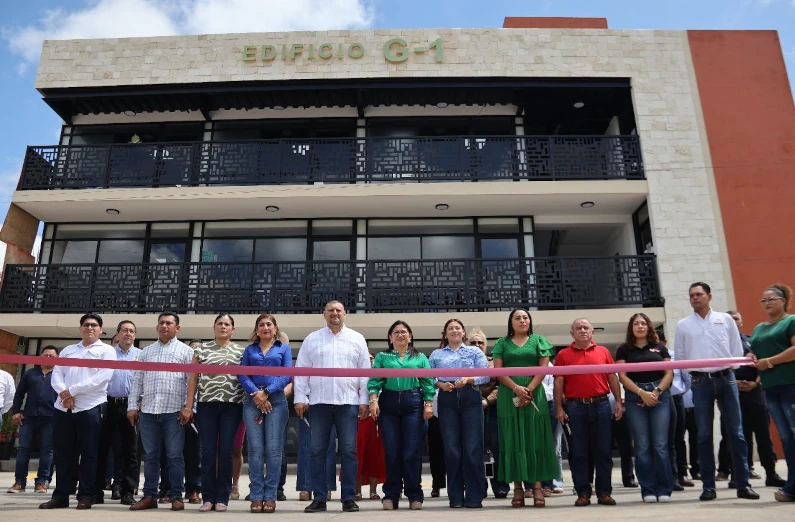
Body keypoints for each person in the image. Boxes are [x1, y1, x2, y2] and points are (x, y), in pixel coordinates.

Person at [674, 282, 759, 501]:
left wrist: (728, 368)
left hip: (726, 378)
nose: (695, 298)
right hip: (700, 382)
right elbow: (681, 357)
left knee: (736, 432)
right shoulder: (683, 325)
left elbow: (737, 350)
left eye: (699, 294)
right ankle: (708, 487)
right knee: (703, 434)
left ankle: (743, 484)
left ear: (709, 296)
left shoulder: (726, 319)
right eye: (691, 295)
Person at [294, 300, 370, 513]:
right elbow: (301, 370)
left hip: (348, 403)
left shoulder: (357, 338)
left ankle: (348, 498)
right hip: (319, 403)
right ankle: (319, 498)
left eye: (338, 310)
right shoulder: (312, 339)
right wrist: (300, 397)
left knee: (349, 451)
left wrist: (364, 400)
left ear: (345, 314)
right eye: (330, 310)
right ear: (324, 314)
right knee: (317, 451)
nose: (334, 313)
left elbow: (365, 372)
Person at [39, 313, 116, 510]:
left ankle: (86, 496)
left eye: (94, 325)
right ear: (80, 328)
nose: (89, 328)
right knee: (63, 454)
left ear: (100, 330)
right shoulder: (68, 350)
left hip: (90, 407)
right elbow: (57, 375)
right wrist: (64, 394)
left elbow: (102, 378)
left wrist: (71, 391)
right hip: (63, 407)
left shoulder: (107, 351)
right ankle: (60, 496)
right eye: (86, 325)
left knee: (89, 454)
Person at [127, 312, 194, 511]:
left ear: (177, 328)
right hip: (148, 411)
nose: (165, 326)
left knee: (175, 456)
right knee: (150, 456)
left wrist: (189, 407)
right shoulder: (146, 352)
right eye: (161, 323)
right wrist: (132, 406)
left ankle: (176, 496)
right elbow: (137, 380)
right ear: (157, 327)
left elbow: (192, 382)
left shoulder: (186, 352)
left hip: (174, 412)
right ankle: (150, 496)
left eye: (169, 323)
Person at [491, 309, 557, 508]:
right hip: (508, 393)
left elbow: (543, 368)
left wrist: (528, 390)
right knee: (512, 439)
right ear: (510, 322)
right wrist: (516, 389)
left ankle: (537, 487)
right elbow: (498, 371)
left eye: (525, 317)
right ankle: (518, 488)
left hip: (534, 392)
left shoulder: (539, 340)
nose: (522, 320)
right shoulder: (501, 343)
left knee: (534, 438)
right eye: (517, 318)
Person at [554, 318, 622, 507]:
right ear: (572, 333)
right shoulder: (563, 355)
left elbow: (612, 377)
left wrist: (618, 401)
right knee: (579, 452)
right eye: (578, 328)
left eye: (586, 328)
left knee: (603, 451)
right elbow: (558, 382)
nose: (583, 330)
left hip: (601, 405)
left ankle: (604, 492)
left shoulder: (603, 352)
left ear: (592, 332)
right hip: (575, 407)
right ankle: (583, 492)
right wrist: (559, 408)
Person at [182, 314, 245, 512]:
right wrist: (188, 406)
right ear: (214, 327)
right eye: (220, 323)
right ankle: (207, 497)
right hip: (207, 405)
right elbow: (193, 378)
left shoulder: (241, 351)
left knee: (226, 451)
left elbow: (246, 378)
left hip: (232, 406)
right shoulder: (201, 349)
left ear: (233, 329)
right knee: (208, 451)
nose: (223, 327)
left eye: (227, 324)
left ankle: (222, 497)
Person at [369, 321, 433, 510]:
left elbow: (428, 381)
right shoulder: (382, 356)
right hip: (388, 403)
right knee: (392, 452)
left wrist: (428, 403)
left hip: (413, 402)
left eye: (404, 332)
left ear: (410, 336)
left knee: (411, 452)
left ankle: (414, 494)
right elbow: (374, 381)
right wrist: (373, 400)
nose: (400, 335)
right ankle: (391, 494)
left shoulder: (420, 357)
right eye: (395, 332)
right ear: (390, 337)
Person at [429, 318, 489, 509]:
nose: (454, 331)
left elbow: (485, 375)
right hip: (447, 399)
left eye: (458, 328)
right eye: (450, 328)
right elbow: (429, 378)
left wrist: (469, 379)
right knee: (452, 450)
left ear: (463, 333)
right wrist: (440, 384)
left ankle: (474, 496)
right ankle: (455, 497)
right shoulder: (436, 354)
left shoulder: (474, 351)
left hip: (470, 398)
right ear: (445, 334)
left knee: (473, 448)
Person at [615, 313, 674, 503]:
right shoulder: (623, 350)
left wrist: (656, 392)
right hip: (635, 397)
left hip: (660, 396)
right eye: (636, 323)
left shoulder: (660, 347)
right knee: (641, 446)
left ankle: (664, 489)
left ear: (649, 326)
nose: (640, 326)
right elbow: (622, 376)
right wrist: (642, 393)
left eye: (643, 323)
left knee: (660, 445)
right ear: (631, 327)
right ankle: (648, 489)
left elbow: (669, 373)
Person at [239, 313, 292, 514]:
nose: (265, 327)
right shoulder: (250, 349)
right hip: (253, 401)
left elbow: (287, 374)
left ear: (275, 328)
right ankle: (256, 496)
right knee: (255, 450)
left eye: (269, 324)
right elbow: (243, 374)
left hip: (276, 400)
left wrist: (267, 392)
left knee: (274, 450)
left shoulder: (283, 348)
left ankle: (270, 496)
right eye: (261, 324)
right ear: (257, 330)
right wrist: (256, 393)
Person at [728, 310, 786, 488]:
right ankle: (740, 475)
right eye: (730, 319)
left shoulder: (752, 340)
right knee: (739, 436)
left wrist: (755, 383)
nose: (733, 322)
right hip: (733, 393)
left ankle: (771, 473)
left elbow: (764, 363)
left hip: (755, 393)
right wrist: (734, 383)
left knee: (763, 434)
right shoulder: (721, 343)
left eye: (736, 318)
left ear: (741, 321)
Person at [749, 283, 795, 502]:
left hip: (791, 385)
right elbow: (755, 349)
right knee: (786, 438)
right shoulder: (759, 328)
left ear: (783, 300)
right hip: (770, 388)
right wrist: (750, 355)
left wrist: (769, 362)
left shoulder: (791, 321)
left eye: (771, 299)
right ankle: (792, 486)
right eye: (763, 300)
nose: (766, 303)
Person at [93, 321, 141, 506]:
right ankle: (97, 491)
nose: (128, 333)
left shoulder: (141, 355)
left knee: (131, 451)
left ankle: (127, 492)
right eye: (124, 330)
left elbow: (144, 380)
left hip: (131, 406)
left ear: (135, 335)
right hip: (107, 404)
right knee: (101, 449)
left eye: (131, 331)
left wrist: (139, 402)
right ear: (118, 334)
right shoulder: (107, 353)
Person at [8, 345, 58, 494]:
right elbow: (19, 394)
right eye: (45, 355)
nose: (47, 358)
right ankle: (19, 482)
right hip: (29, 417)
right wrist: (16, 412)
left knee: (47, 451)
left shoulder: (60, 375)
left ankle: (42, 482)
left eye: (51, 356)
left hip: (51, 418)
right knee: (23, 450)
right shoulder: (30, 373)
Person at [470, 327, 510, 499]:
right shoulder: (463, 362)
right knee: (474, 448)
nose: (477, 345)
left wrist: (488, 400)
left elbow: (502, 385)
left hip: (493, 409)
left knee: (497, 447)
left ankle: (500, 485)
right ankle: (479, 486)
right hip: (470, 409)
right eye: (473, 342)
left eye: (480, 342)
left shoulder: (494, 362)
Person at [540, 353, 565, 496]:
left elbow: (554, 389)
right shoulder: (528, 365)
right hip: (533, 405)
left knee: (554, 445)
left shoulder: (551, 367)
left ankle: (555, 482)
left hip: (552, 405)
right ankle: (538, 484)